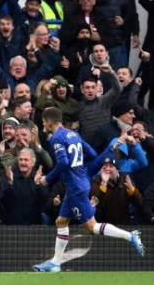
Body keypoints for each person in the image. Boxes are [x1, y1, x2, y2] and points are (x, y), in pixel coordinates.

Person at [32, 107, 144, 273]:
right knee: (61, 222)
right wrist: (81, 169)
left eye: (43, 122)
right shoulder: (73, 134)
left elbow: (62, 163)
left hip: (76, 187)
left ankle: (130, 236)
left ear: (49, 122)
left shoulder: (56, 138)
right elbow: (91, 153)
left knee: (91, 227)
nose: (43, 124)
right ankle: (55, 263)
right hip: (78, 182)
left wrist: (46, 179)